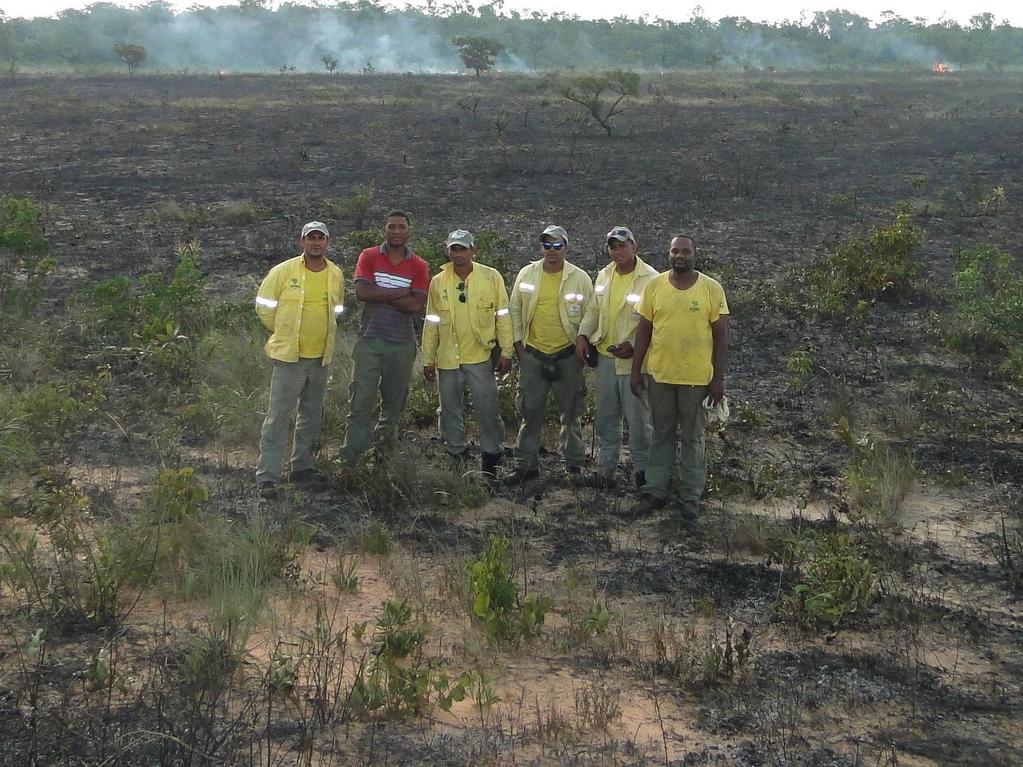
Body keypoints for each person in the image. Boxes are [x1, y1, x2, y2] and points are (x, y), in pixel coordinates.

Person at [629, 235, 729, 524]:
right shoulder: (655, 286)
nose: (680, 255)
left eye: (685, 251)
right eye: (675, 251)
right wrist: (637, 371)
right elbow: (644, 332)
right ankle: (655, 492)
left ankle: (690, 499)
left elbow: (721, 338)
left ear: (694, 255)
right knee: (661, 435)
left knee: (692, 439)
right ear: (669, 254)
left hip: (697, 381)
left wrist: (718, 380)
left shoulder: (711, 288)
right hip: (660, 376)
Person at [255, 221, 345, 499]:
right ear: (301, 241)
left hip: (320, 357)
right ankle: (268, 476)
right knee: (279, 415)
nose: (316, 243)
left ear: (327, 242)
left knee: (311, 414)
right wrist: (282, 331)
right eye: (311, 238)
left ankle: (302, 467)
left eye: (321, 238)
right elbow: (264, 306)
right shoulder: (283, 272)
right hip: (289, 357)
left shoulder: (335, 274)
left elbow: (338, 309)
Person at [338, 210, 429, 465]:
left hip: (402, 343)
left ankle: (383, 456)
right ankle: (351, 458)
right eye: (392, 227)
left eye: (401, 227)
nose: (396, 231)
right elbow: (361, 292)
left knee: (394, 404)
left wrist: (382, 293)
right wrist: (400, 291)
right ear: (385, 230)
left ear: (409, 231)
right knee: (360, 401)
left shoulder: (419, 265)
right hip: (370, 338)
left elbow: (415, 306)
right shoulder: (368, 256)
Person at [505, 225, 594, 484]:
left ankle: (574, 467)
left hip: (568, 355)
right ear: (540, 247)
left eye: (558, 246)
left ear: (566, 247)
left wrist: (582, 337)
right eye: (547, 245)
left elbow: (591, 311)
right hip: (533, 354)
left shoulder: (580, 278)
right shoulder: (526, 274)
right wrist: (519, 344)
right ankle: (525, 466)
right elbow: (514, 309)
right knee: (530, 413)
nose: (552, 251)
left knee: (571, 413)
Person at [422, 230, 513, 478]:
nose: (459, 254)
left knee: (488, 410)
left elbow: (503, 316)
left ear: (473, 250)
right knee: (449, 410)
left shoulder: (491, 277)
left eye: (463, 249)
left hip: (480, 357)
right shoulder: (438, 282)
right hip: (447, 359)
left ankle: (491, 461)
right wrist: (428, 358)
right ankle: (456, 457)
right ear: (447, 250)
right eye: (454, 249)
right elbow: (430, 321)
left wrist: (507, 351)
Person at [574, 226, 658, 490]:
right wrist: (583, 335)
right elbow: (593, 310)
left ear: (634, 246)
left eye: (622, 245)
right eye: (612, 246)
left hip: (636, 363)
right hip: (606, 360)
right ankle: (605, 472)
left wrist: (634, 345)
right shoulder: (604, 276)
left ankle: (644, 475)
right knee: (607, 419)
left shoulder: (652, 279)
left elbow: (657, 322)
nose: (617, 251)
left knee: (639, 423)